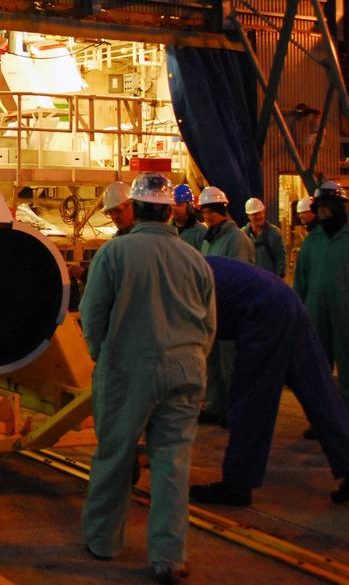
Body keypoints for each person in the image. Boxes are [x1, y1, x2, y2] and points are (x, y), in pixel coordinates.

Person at [79, 173, 216, 584]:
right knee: (172, 462)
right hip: (187, 368)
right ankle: (169, 557)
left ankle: (104, 542)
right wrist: (192, 360)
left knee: (116, 457)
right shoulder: (196, 258)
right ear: (170, 210)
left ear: (135, 209)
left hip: (130, 369)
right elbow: (209, 322)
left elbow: (92, 315)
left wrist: (102, 357)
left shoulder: (115, 254)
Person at [189, 257, 349, 507]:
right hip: (284, 299)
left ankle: (237, 485)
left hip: (262, 310)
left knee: (249, 399)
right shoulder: (182, 266)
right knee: (318, 391)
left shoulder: (171, 281)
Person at [293, 181, 349, 447]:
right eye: (319, 207)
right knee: (318, 373)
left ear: (337, 207)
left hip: (348, 316)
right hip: (316, 316)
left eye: (326, 207)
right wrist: (298, 314)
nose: (321, 212)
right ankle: (322, 423)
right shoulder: (313, 242)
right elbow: (301, 281)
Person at [196, 186, 253, 426]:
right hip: (213, 308)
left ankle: (234, 410)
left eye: (211, 212)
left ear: (222, 210)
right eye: (205, 213)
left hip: (231, 310)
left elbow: (238, 276)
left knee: (231, 363)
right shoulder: (211, 239)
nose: (207, 217)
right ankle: (214, 405)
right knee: (213, 361)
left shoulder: (236, 239)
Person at [242, 197, 286, 278]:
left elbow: (281, 258)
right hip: (250, 281)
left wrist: (277, 279)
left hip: (269, 281)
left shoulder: (274, 233)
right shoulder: (243, 235)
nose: (258, 217)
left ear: (264, 213)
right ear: (248, 216)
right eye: (255, 214)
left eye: (260, 213)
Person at [171, 184, 206, 250]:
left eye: (179, 205)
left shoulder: (201, 233)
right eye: (172, 204)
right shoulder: (166, 229)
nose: (174, 208)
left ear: (189, 208)